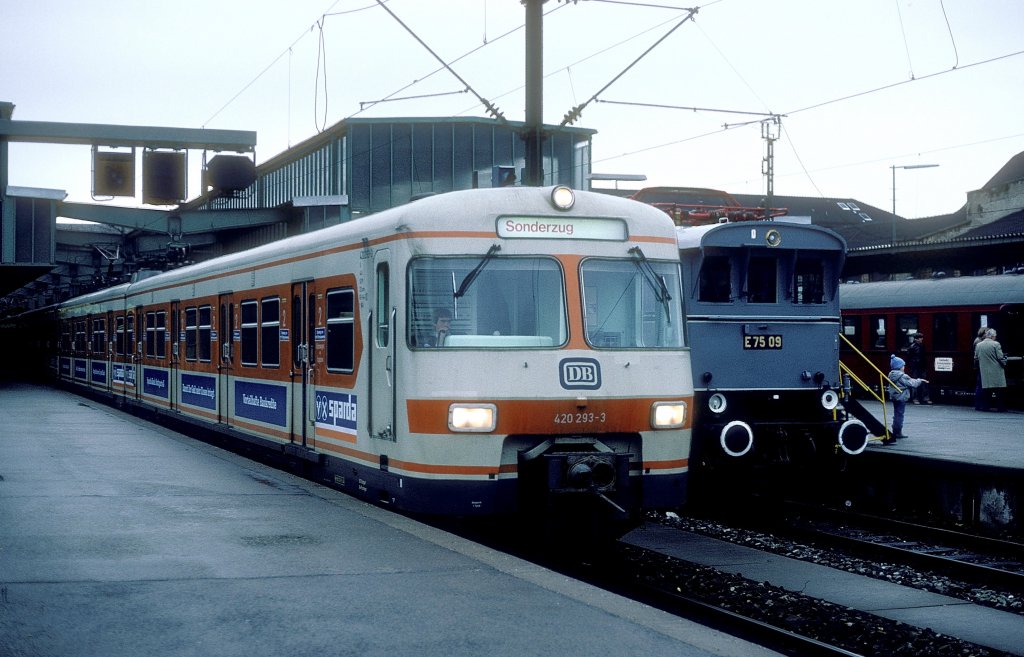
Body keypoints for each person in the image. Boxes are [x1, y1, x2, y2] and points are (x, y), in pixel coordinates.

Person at [885, 354, 928, 444]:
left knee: (896, 413)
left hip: (894, 397)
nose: (904, 367)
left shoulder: (891, 374)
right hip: (901, 397)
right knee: (900, 415)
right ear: (899, 367)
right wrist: (920, 380)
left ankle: (895, 430)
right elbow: (913, 383)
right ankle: (898, 432)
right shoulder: (902, 376)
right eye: (903, 366)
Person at [975, 328, 1008, 412]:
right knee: (999, 391)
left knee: (986, 391)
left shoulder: (979, 345)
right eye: (995, 336)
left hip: (984, 371)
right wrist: (1005, 363)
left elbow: (976, 358)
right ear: (993, 336)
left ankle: (985, 407)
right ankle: (1001, 408)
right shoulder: (996, 344)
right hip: (996, 371)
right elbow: (1000, 357)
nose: (995, 337)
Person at [905, 333, 932, 404]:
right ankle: (923, 398)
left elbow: (908, 358)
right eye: (920, 338)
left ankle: (916, 398)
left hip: (918, 367)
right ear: (916, 339)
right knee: (922, 382)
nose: (922, 339)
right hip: (917, 367)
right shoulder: (916, 347)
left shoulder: (913, 346)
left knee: (916, 383)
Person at [973, 326, 988, 410]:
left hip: (978, 365)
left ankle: (979, 404)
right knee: (980, 385)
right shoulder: (979, 342)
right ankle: (979, 404)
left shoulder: (978, 340)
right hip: (980, 365)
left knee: (980, 385)